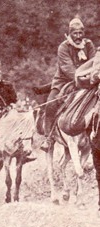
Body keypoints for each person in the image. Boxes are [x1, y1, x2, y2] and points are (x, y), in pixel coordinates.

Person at [41, 17, 95, 152]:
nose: (78, 36)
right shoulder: (63, 47)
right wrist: (83, 79)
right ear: (70, 33)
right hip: (64, 81)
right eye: (74, 33)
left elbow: (95, 63)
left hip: (87, 81)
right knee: (51, 103)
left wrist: (92, 78)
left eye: (80, 33)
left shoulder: (88, 45)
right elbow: (68, 69)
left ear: (84, 33)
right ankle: (48, 137)